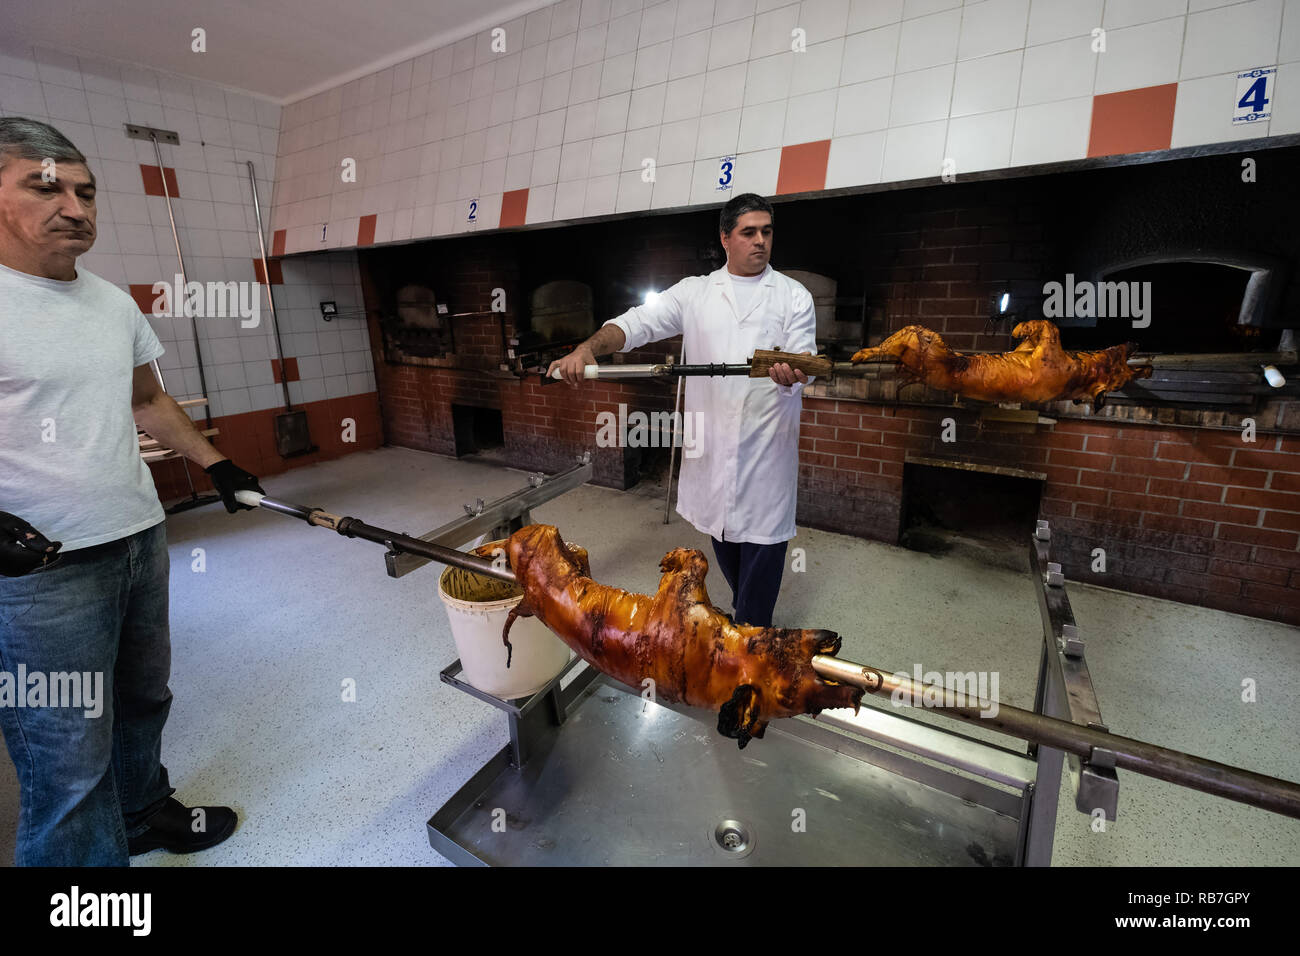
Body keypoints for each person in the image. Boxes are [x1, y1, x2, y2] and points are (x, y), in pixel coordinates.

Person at [0, 117, 263, 866]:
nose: (76, 208)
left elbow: (147, 401)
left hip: (138, 537)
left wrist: (216, 465)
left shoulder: (111, 303)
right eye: (46, 187)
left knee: (144, 701)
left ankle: (144, 812)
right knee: (67, 754)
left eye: (86, 192)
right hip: (41, 573)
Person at [549, 193, 815, 627]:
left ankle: (749, 637)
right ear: (725, 238)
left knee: (764, 550)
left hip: (767, 449)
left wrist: (796, 372)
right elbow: (636, 323)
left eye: (766, 232)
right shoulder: (695, 293)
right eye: (749, 232)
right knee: (725, 536)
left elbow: (806, 358)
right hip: (710, 446)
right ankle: (745, 623)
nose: (760, 241)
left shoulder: (794, 296)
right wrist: (587, 348)